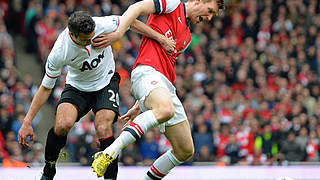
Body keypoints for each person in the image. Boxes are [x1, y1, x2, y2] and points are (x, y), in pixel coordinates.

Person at [18, 11, 175, 180]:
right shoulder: (60, 51)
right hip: (77, 87)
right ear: (73, 35)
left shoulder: (101, 24)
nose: (90, 44)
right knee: (63, 124)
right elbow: (45, 88)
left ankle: (110, 178)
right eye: (85, 40)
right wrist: (27, 121)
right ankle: (48, 171)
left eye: (92, 37)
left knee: (103, 126)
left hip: (106, 82)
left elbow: (131, 21)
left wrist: (161, 38)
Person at [91, 0, 225, 179]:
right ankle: (108, 153)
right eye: (209, 11)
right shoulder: (172, 4)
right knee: (165, 109)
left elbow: (165, 66)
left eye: (212, 16)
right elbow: (135, 9)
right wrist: (118, 34)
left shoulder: (187, 38)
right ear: (198, 1)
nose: (208, 18)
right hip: (146, 72)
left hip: (164, 84)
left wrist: (140, 104)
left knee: (185, 150)